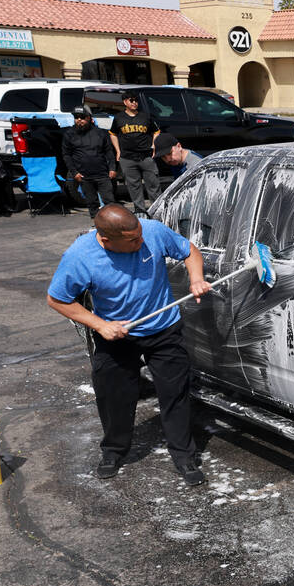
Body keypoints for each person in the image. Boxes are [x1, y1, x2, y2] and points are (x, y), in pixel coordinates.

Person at [46, 204, 213, 486]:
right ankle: (113, 451)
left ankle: (184, 455)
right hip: (117, 335)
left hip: (164, 328)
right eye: (133, 241)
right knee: (113, 397)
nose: (141, 242)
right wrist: (99, 324)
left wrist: (196, 277)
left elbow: (188, 251)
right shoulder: (80, 256)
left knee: (175, 393)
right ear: (107, 240)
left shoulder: (151, 231)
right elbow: (57, 299)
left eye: (140, 235)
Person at [109, 91, 160, 213]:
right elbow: (113, 134)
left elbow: (157, 132)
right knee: (134, 186)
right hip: (127, 158)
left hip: (146, 156)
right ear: (125, 102)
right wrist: (118, 150)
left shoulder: (145, 116)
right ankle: (140, 211)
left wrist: (154, 145)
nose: (134, 103)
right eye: (131, 100)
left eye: (136, 100)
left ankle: (158, 210)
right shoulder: (119, 118)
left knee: (153, 185)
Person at [62, 106, 116, 216]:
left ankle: (112, 225)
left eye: (82, 117)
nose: (79, 120)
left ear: (88, 118)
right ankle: (97, 227)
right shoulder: (69, 134)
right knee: (92, 204)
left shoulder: (101, 133)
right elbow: (66, 155)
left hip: (103, 174)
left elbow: (109, 152)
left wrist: (112, 168)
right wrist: (74, 172)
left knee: (110, 203)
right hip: (84, 176)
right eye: (76, 117)